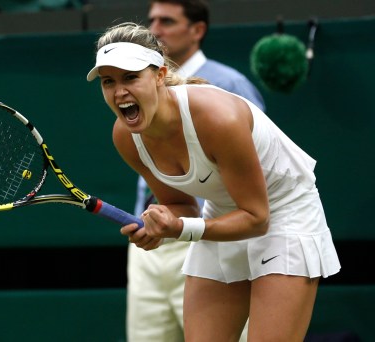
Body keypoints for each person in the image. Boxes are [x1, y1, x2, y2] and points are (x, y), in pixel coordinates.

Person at [86, 22, 341, 342]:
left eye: (131, 77)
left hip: (283, 214)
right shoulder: (125, 137)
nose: (119, 91)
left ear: (160, 75)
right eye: (108, 82)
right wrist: (163, 223)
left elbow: (257, 218)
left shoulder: (218, 118)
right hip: (225, 214)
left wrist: (181, 229)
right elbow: (182, 205)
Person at [131, 1, 265, 341]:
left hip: (210, 238)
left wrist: (185, 225)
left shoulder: (229, 85)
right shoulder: (133, 89)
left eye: (167, 21)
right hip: (151, 243)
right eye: (151, 21)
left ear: (197, 30)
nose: (155, 29)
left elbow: (259, 172)